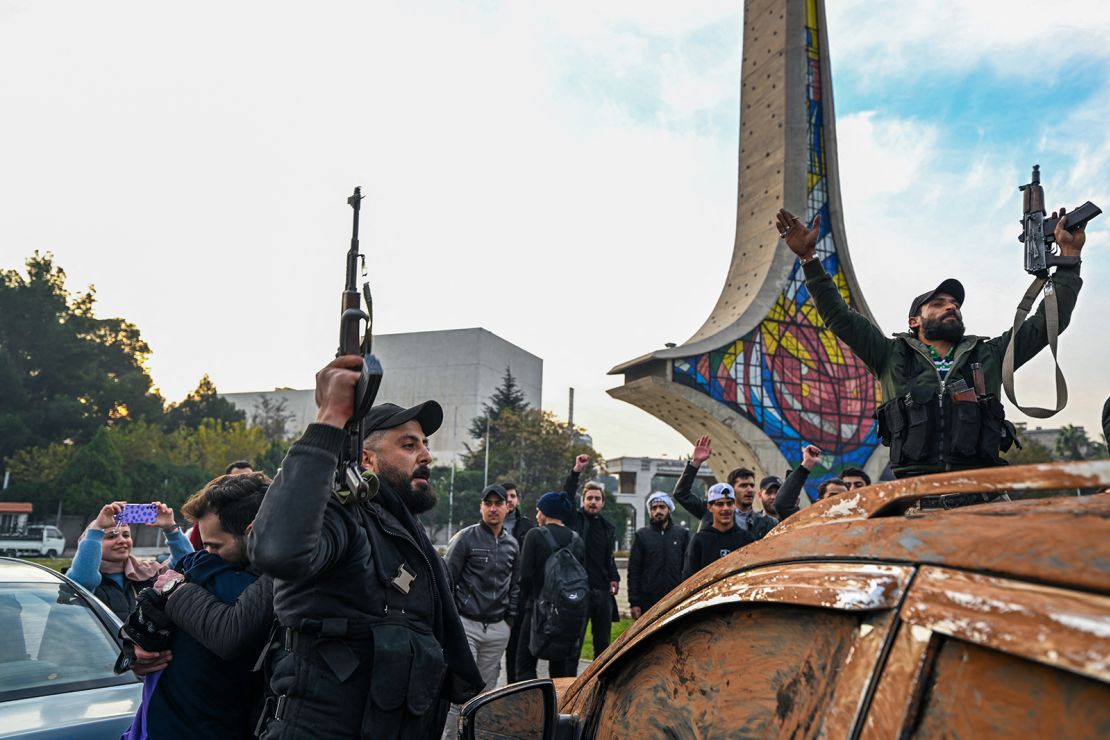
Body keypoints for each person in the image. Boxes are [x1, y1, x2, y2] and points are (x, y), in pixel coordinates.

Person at [247, 356, 483, 740]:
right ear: (367, 459)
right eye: (409, 445)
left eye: (425, 444)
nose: (426, 455)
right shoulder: (346, 516)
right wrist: (330, 418)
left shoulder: (403, 530)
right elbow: (278, 550)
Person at [775, 206, 1086, 478]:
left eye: (955, 303)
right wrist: (808, 259)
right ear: (914, 321)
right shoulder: (889, 355)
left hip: (978, 494)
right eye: (938, 303)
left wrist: (1069, 259)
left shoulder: (990, 354)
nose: (951, 306)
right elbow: (839, 316)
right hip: (915, 494)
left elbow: (1048, 323)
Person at [121, 473, 270, 740]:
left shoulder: (199, 571)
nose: (208, 553)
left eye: (216, 545)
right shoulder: (194, 568)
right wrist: (137, 646)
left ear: (252, 532)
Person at [442, 484, 520, 737]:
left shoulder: (512, 544)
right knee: (459, 691)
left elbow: (515, 585)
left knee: (485, 696)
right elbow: (446, 580)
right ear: (481, 507)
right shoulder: (465, 538)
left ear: (508, 507)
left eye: (498, 503)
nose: (493, 508)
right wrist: (452, 620)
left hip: (497, 628)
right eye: (488, 503)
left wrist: (508, 621)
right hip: (466, 625)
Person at [68, 501, 192, 621]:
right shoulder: (83, 574)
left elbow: (188, 565)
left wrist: (171, 529)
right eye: (111, 536)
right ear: (94, 541)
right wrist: (97, 529)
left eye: (126, 535)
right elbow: (83, 581)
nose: (122, 540)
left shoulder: (147, 572)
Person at [515, 490, 586, 681]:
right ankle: (557, 706)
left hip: (536, 610)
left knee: (525, 664)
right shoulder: (576, 540)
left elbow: (525, 576)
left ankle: (532, 708)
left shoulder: (535, 535)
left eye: (539, 511)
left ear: (546, 512)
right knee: (560, 669)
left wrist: (524, 603)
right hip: (564, 612)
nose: (537, 515)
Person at [562, 455, 620, 659]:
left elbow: (608, 556)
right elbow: (566, 497)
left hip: (602, 591)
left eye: (597, 499)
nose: (593, 502)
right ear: (583, 500)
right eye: (589, 498)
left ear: (603, 502)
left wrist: (614, 576)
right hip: (578, 590)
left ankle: (599, 685)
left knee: (603, 643)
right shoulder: (574, 520)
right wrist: (576, 471)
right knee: (574, 641)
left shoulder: (607, 527)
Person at [673, 436, 778, 540]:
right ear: (731, 489)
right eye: (743, 485)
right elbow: (681, 494)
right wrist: (695, 463)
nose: (749, 490)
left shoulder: (766, 523)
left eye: (751, 485)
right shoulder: (711, 511)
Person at [627, 492, 690, 619]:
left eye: (662, 507)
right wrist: (634, 602)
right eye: (654, 508)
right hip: (647, 602)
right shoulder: (642, 536)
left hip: (675, 599)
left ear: (669, 509)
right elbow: (634, 570)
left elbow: (689, 567)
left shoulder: (682, 534)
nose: (658, 511)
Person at [682, 484, 755, 579]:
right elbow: (688, 580)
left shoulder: (747, 539)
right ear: (709, 507)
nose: (725, 508)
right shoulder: (699, 540)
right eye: (720, 504)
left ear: (735, 506)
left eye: (729, 503)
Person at [501, 480, 535, 683]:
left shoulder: (528, 527)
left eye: (512, 496)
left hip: (520, 597)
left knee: (515, 649)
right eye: (505, 497)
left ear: (518, 499)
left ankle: (512, 690)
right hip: (494, 596)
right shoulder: (490, 525)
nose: (509, 500)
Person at [775, 444, 822, 520]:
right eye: (833, 495)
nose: (840, 500)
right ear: (820, 502)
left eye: (844, 495)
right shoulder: (809, 523)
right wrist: (807, 464)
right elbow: (783, 505)